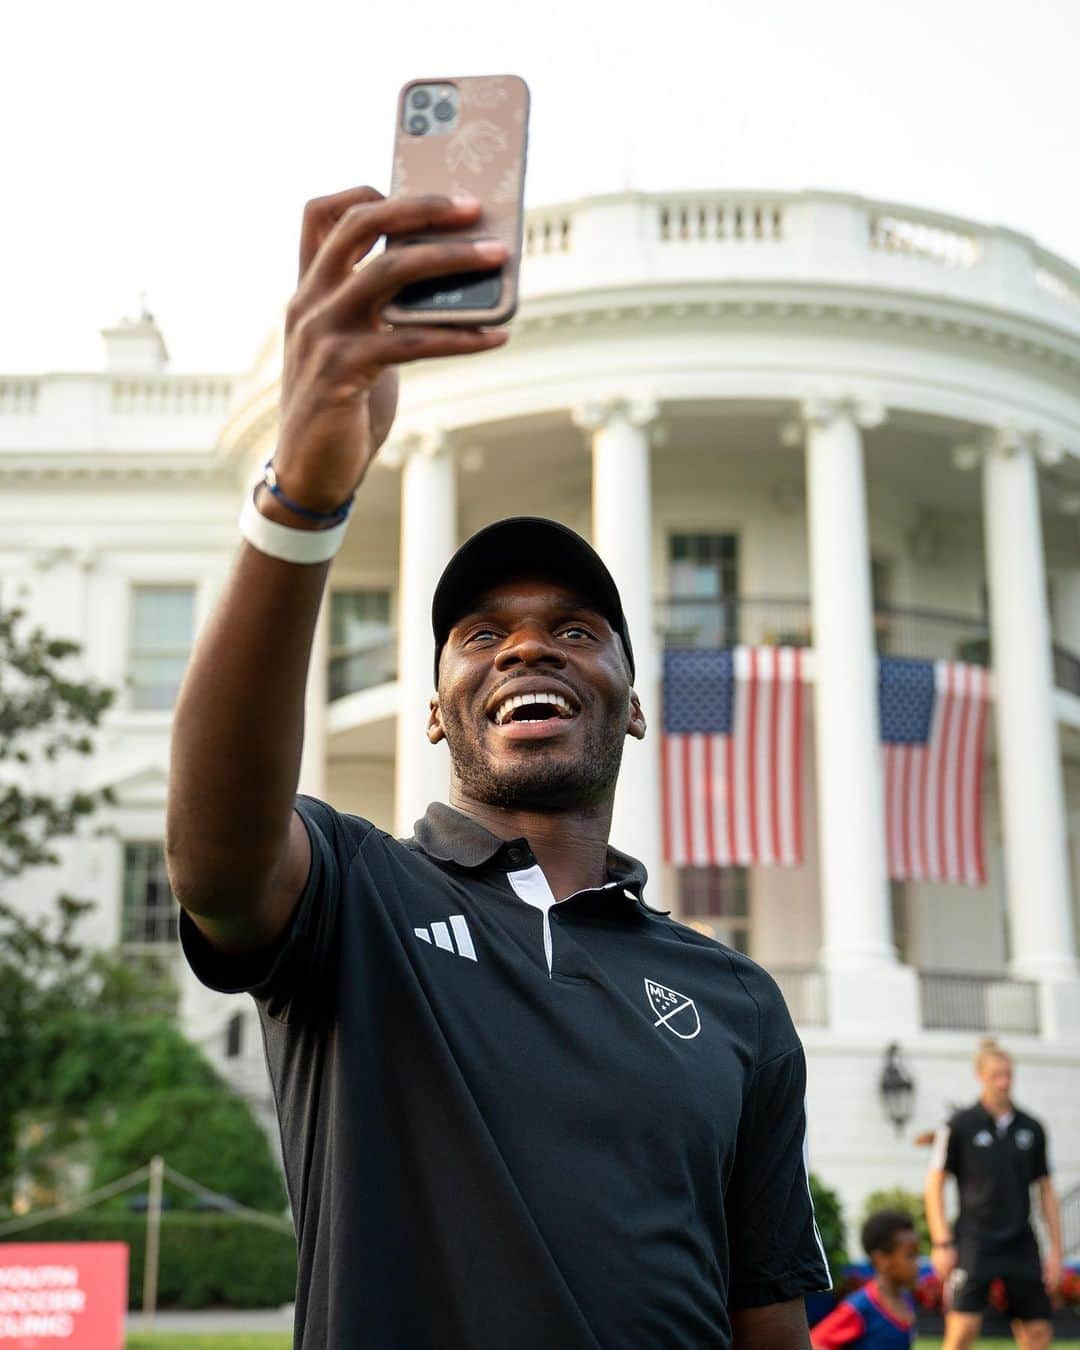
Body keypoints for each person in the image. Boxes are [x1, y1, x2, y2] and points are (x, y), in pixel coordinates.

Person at [166, 185, 831, 1350]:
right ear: (435, 715)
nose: (529, 643)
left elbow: (767, 1324)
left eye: (576, 630)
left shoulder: (738, 1004)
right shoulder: (354, 899)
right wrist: (305, 490)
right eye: (483, 634)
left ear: (631, 707)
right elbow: (215, 855)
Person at [925, 1038, 1063, 1350]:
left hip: (1021, 1244)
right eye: (996, 1075)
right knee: (961, 1331)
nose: (1003, 1082)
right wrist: (941, 1241)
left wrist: (1055, 1251)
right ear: (980, 1076)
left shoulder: (1032, 1128)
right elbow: (934, 1183)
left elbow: (1046, 1190)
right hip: (974, 1242)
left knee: (1038, 1333)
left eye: (1008, 1074)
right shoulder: (959, 1125)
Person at [810, 1209, 919, 1349]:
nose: (917, 1264)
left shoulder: (906, 1300)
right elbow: (815, 1343)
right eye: (910, 1255)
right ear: (882, 1260)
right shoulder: (860, 1307)